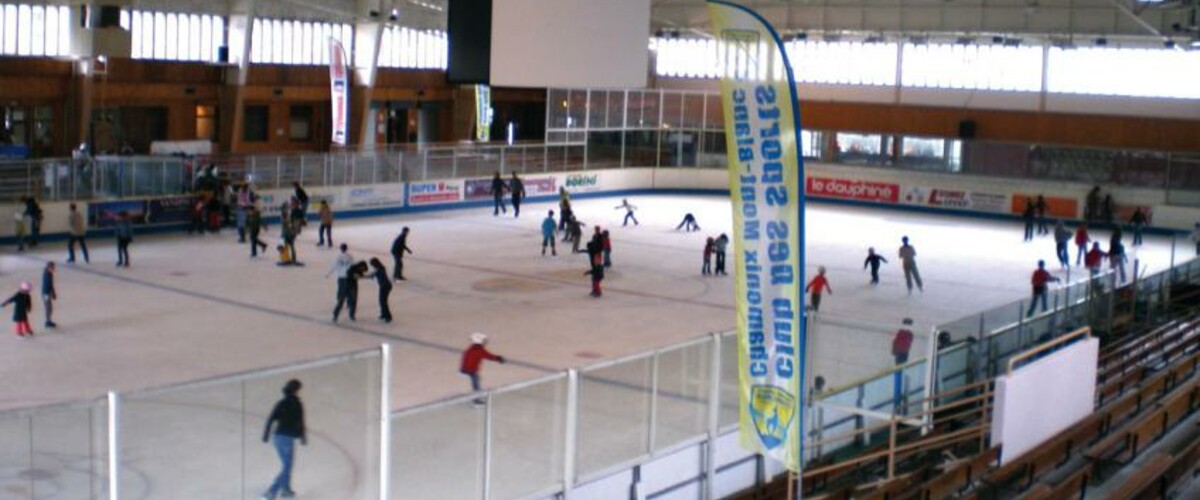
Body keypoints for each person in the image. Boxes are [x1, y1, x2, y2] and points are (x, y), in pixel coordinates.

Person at [261, 379, 306, 500]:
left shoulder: (281, 403)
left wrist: (266, 434)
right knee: (287, 465)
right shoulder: (297, 404)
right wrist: (303, 436)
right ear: (296, 391)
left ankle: (286, 489)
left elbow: (271, 419)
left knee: (287, 464)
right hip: (287, 438)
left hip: (278, 437)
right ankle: (272, 491)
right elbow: (301, 422)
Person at [461, 333, 506, 404]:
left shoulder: (471, 348)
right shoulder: (479, 350)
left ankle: (477, 395)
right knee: (476, 383)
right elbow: (489, 356)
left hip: (468, 369)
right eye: (484, 341)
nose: (485, 342)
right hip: (471, 370)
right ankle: (476, 399)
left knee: (477, 380)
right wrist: (498, 358)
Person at [328, 244, 356, 322]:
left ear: (340, 248)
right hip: (350, 279)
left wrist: (328, 273)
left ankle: (335, 315)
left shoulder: (338, 257)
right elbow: (353, 266)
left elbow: (334, 266)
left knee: (341, 299)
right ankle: (351, 315)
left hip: (342, 279)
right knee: (352, 298)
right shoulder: (350, 256)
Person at [369, 258, 393, 323]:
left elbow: (371, 276)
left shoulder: (379, 270)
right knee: (382, 301)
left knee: (383, 302)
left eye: (372, 264)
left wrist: (360, 276)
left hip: (385, 287)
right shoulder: (381, 268)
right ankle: (383, 314)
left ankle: (388, 316)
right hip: (385, 286)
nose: (372, 266)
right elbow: (372, 275)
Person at [41, 262, 56, 328]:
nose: (54, 269)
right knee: (48, 308)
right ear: (49, 267)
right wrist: (51, 294)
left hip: (47, 293)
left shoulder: (49, 274)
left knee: (50, 308)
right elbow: (48, 285)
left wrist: (53, 293)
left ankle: (49, 320)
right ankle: (47, 322)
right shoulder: (47, 275)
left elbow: (51, 285)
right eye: (52, 268)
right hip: (46, 294)